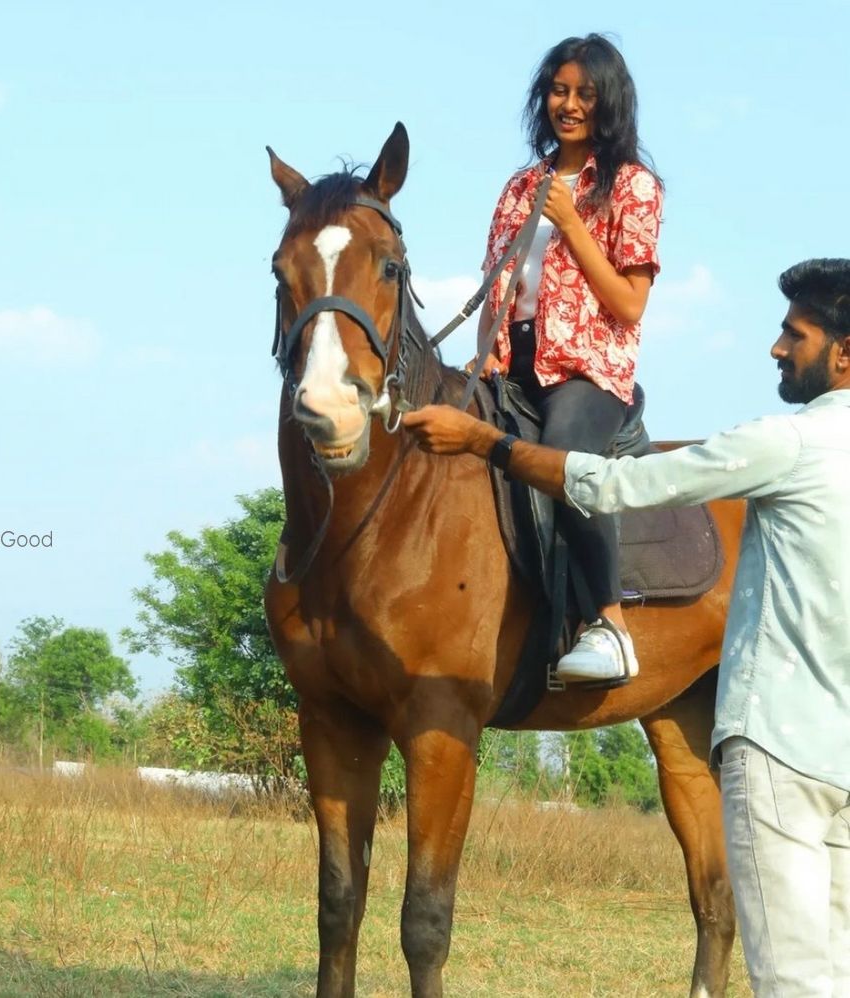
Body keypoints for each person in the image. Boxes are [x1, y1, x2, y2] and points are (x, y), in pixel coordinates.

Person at [404, 258, 850, 997]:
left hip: (779, 753)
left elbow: (620, 485)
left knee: (793, 978)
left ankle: (601, 621)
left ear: (844, 354)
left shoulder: (789, 443)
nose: (776, 348)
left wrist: (489, 446)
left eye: (792, 335)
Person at [473, 33, 664, 684]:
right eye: (559, 90)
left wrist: (575, 225)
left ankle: (608, 624)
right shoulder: (520, 184)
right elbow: (496, 281)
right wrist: (486, 353)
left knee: (562, 460)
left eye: (584, 93)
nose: (569, 103)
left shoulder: (632, 186)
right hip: (513, 367)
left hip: (588, 372)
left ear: (608, 101)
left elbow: (629, 304)